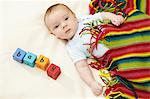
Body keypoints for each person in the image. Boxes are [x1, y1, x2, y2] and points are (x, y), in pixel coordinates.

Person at [44, 3, 124, 96]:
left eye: (66, 19)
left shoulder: (84, 21)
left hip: (117, 36)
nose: (64, 25)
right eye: (56, 26)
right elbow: (82, 66)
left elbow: (100, 16)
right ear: (54, 35)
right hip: (114, 58)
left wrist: (113, 17)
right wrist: (91, 83)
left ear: (74, 16)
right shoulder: (72, 47)